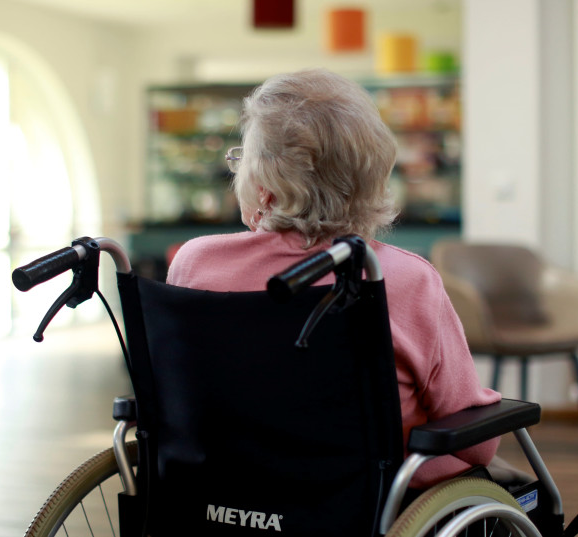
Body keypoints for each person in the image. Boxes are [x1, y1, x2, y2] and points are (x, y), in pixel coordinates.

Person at [166, 68, 501, 488]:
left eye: (240, 161)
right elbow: (477, 445)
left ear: (266, 186)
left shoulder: (196, 262)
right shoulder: (404, 279)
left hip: (223, 491)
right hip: (358, 501)